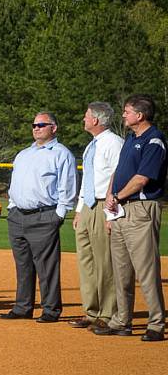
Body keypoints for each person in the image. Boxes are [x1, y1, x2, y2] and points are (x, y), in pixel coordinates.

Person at [96, 94, 166, 342]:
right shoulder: (130, 138)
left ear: (140, 115)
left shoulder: (154, 140)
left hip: (140, 209)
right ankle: (121, 321)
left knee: (146, 269)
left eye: (127, 111)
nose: (123, 115)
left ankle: (156, 324)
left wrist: (117, 196)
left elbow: (142, 178)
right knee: (121, 269)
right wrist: (110, 202)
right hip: (120, 210)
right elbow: (118, 172)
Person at [0, 112, 77, 323]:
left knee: (46, 266)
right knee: (23, 265)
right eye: (34, 124)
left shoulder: (61, 154)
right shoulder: (23, 154)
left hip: (44, 216)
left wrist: (59, 214)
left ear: (54, 128)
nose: (36, 128)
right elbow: (16, 184)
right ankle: (23, 307)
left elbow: (67, 187)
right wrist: (12, 208)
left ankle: (51, 310)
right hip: (17, 216)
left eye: (42, 124)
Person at [68, 103, 123, 331]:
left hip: (104, 204)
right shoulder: (92, 145)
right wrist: (80, 209)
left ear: (97, 120)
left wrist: (111, 214)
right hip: (89, 206)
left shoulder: (114, 143)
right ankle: (91, 311)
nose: (83, 119)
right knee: (86, 261)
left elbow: (118, 179)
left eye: (87, 116)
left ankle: (108, 312)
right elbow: (88, 178)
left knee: (104, 262)